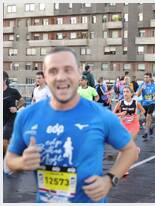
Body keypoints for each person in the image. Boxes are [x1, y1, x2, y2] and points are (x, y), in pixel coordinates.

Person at [5, 47, 138, 203]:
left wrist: (109, 180)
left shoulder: (100, 115)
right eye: (53, 71)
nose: (61, 77)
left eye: (68, 70)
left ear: (79, 73)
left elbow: (131, 150)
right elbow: (10, 159)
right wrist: (22, 162)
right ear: (45, 76)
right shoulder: (27, 116)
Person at [113, 86, 145, 175]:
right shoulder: (120, 103)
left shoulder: (135, 102)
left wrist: (138, 116)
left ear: (131, 93)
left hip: (134, 125)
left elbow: (143, 111)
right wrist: (120, 114)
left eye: (127, 91)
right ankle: (135, 149)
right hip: (124, 125)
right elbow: (113, 114)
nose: (125, 93)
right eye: (124, 92)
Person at [3, 71, 25, 156]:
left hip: (11, 120)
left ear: (4, 80)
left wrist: (16, 107)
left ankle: (11, 159)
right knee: (7, 143)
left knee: (4, 142)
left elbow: (22, 101)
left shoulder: (13, 91)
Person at [136, 73, 155, 141]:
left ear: (150, 78)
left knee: (148, 116)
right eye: (144, 77)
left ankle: (146, 132)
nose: (145, 79)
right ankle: (150, 127)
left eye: (147, 77)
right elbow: (137, 94)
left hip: (152, 103)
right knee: (147, 118)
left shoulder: (154, 86)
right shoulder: (142, 85)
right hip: (144, 103)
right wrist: (141, 89)